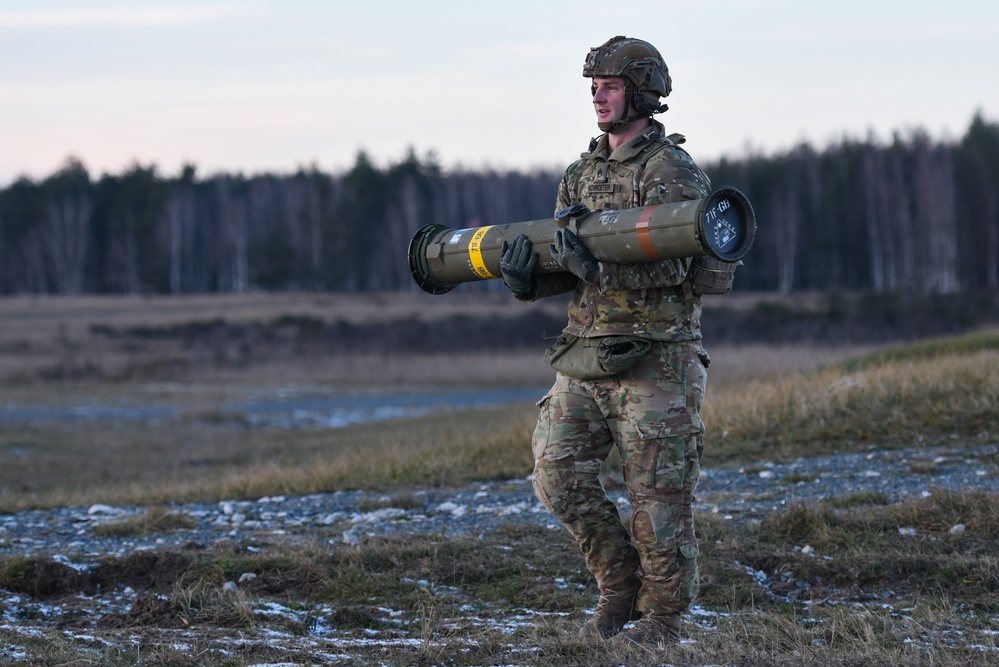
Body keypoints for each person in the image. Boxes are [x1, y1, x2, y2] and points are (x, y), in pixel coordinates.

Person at [499, 36, 737, 651]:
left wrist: (594, 264)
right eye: (594, 88)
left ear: (641, 92)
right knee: (556, 475)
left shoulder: (672, 171)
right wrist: (531, 277)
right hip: (586, 351)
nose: (598, 98)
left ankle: (663, 619)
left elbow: (686, 268)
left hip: (658, 357)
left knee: (658, 498)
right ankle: (619, 584)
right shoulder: (581, 173)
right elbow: (564, 259)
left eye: (609, 86)